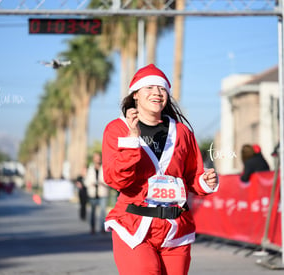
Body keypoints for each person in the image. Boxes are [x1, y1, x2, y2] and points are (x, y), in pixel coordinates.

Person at [101, 64, 219, 275]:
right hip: (133, 226)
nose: (157, 92)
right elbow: (115, 179)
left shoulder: (182, 132)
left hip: (176, 229)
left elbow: (192, 174)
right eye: (149, 88)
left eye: (162, 89)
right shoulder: (117, 129)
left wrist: (205, 181)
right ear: (135, 94)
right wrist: (132, 141)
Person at [85, 152, 109, 234]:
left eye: (99, 157)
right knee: (92, 212)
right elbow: (86, 181)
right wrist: (91, 183)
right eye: (96, 157)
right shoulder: (90, 168)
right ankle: (92, 228)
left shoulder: (104, 167)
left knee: (102, 212)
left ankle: (103, 228)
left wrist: (102, 183)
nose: (97, 159)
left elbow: (108, 180)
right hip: (93, 193)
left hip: (102, 192)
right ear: (93, 159)